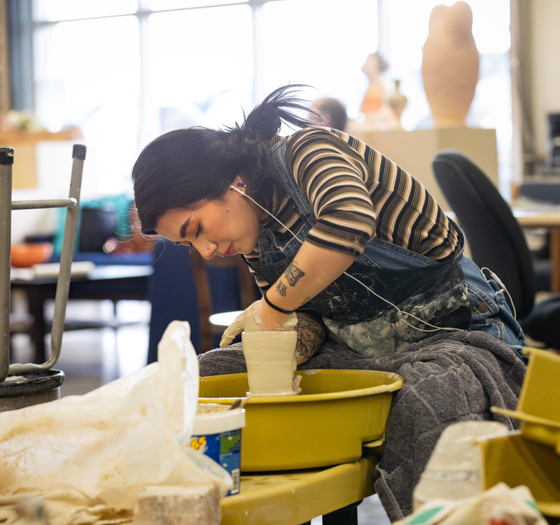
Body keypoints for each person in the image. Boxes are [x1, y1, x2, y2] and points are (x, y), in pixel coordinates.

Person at [132, 84, 526, 366]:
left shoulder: (309, 150)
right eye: (190, 246)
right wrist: (275, 351)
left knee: (427, 404)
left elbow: (348, 222)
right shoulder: (255, 234)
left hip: (456, 327)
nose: (206, 250)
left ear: (229, 182)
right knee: (213, 371)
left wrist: (270, 309)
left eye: (196, 229)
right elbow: (306, 317)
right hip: (370, 351)